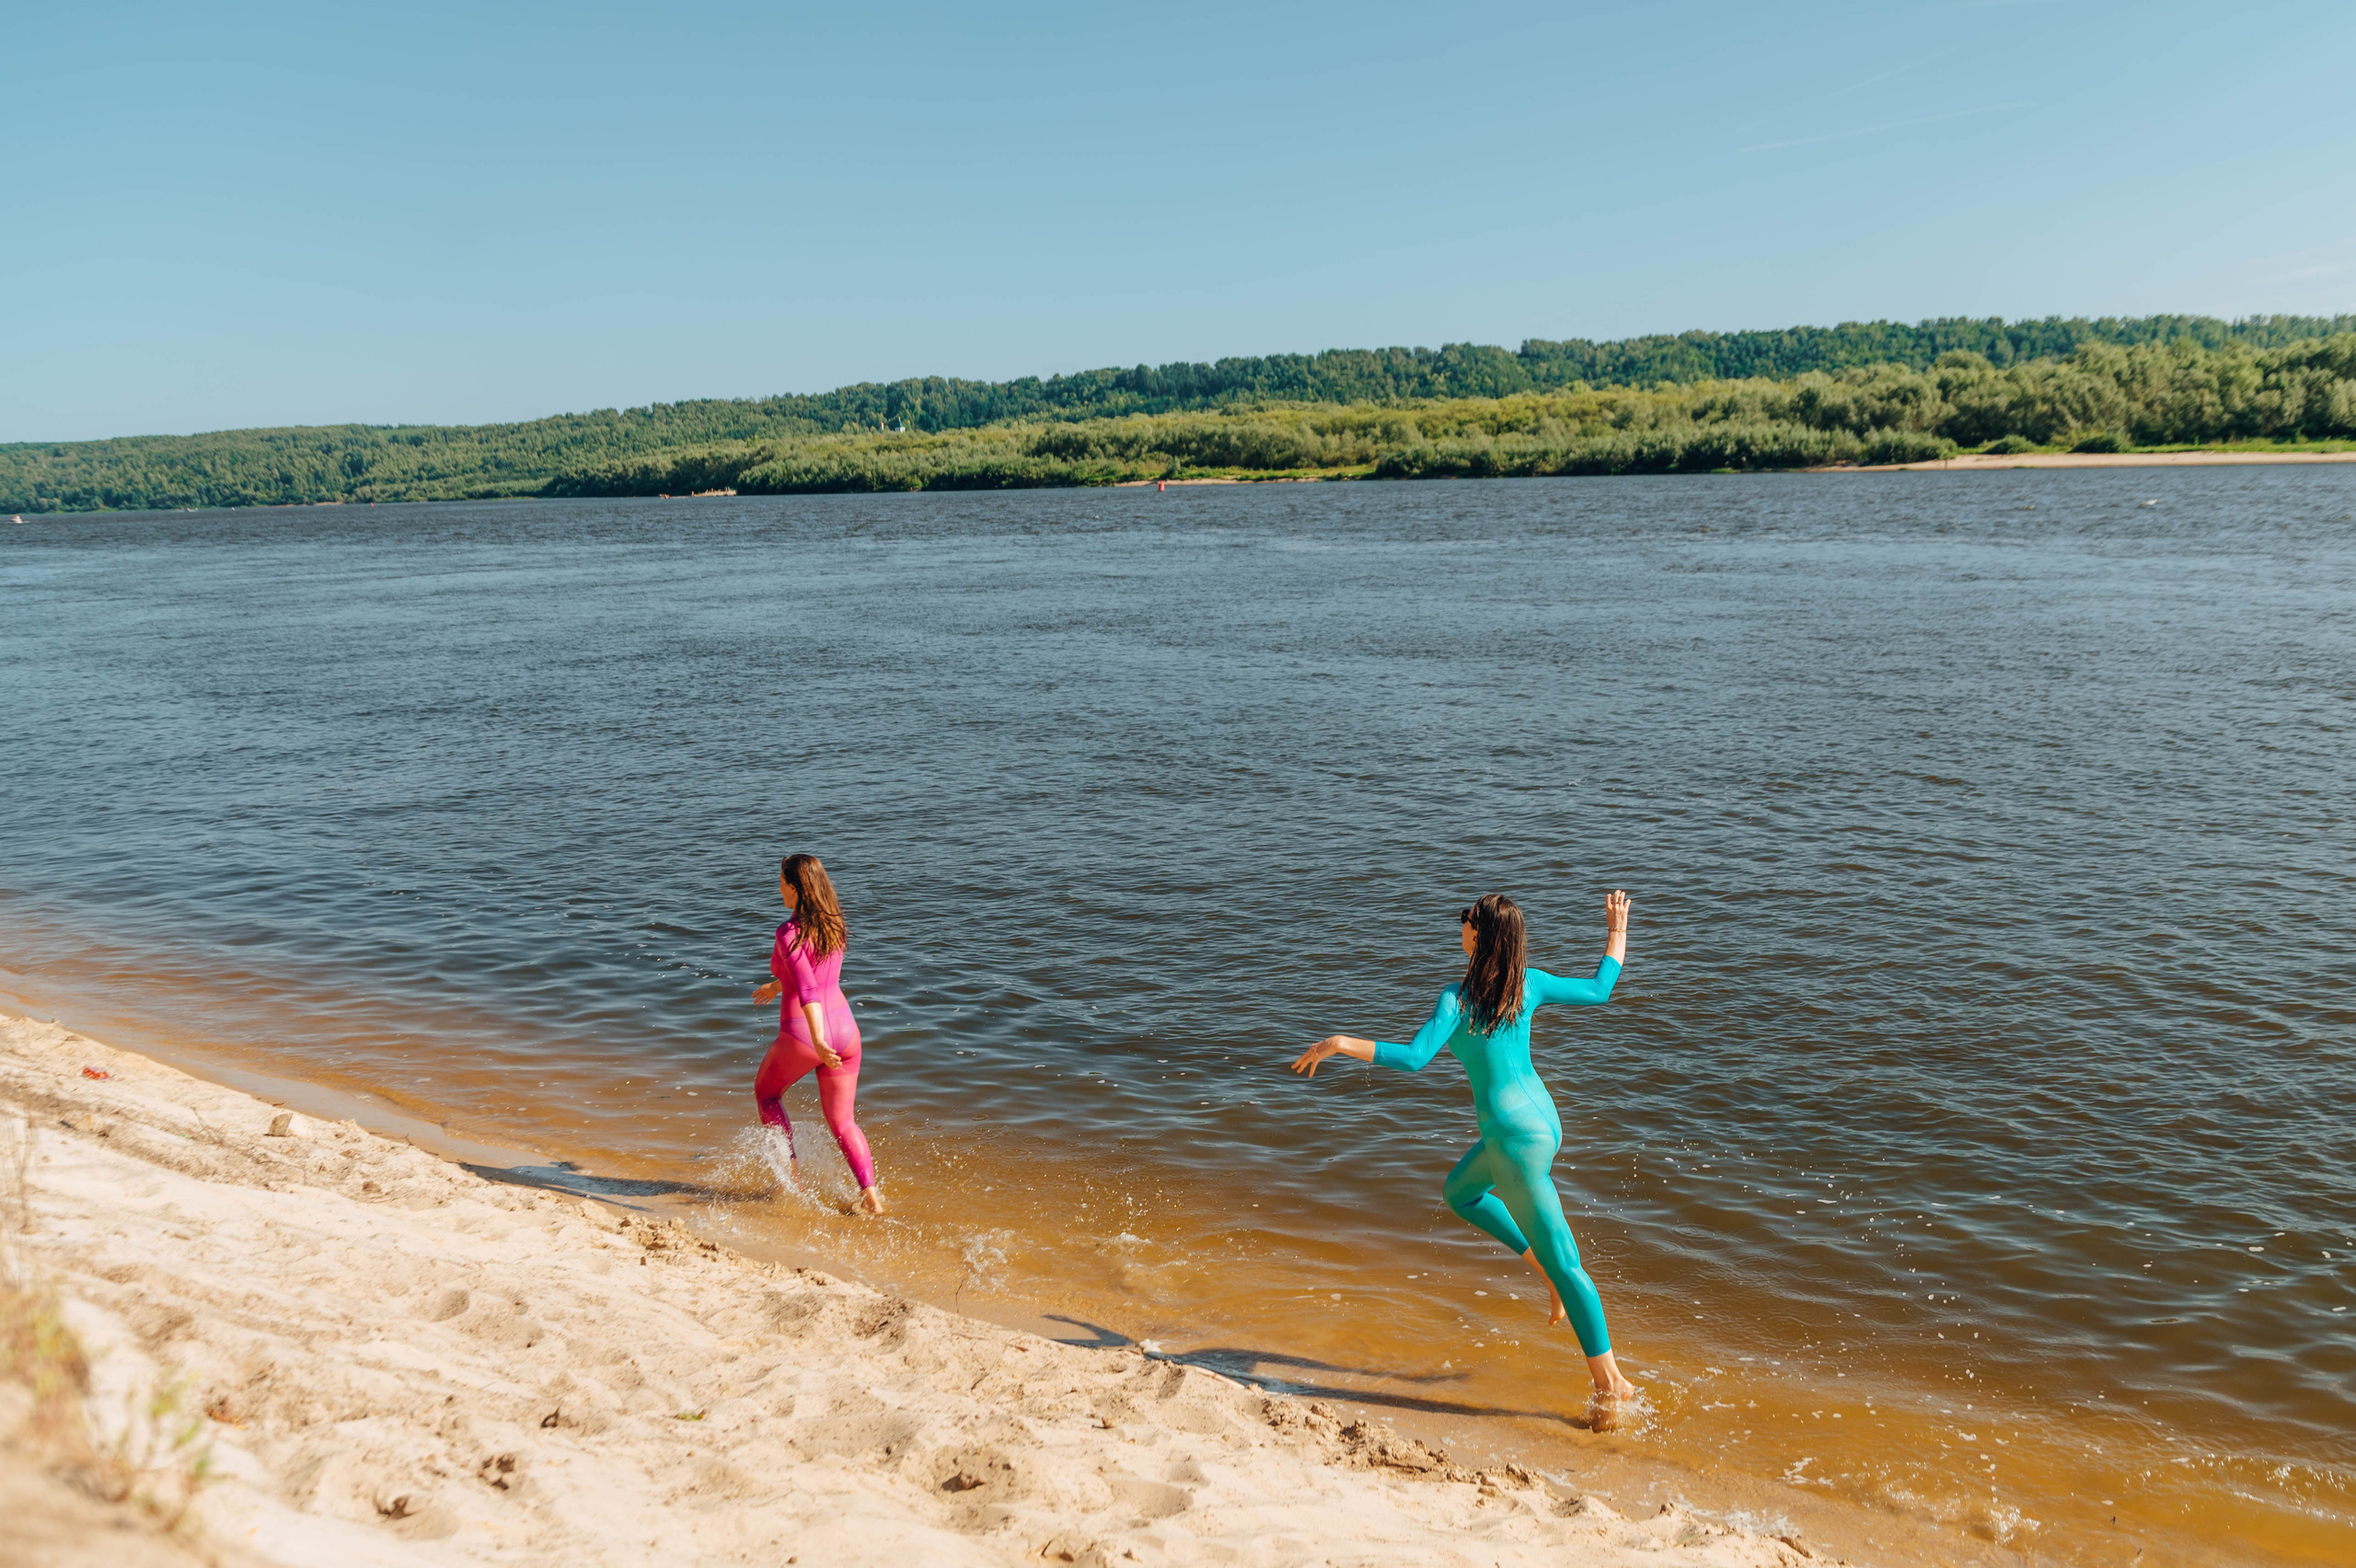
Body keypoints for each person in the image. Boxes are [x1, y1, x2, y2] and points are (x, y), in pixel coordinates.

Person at [1291, 890, 1634, 1423]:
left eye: (1465, 919)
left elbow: (1413, 1059)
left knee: (1568, 1264)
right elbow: (1599, 989)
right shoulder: (1529, 983)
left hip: (1514, 1142)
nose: (1460, 926)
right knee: (1460, 1192)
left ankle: (1611, 1382)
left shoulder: (1457, 998)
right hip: (1539, 1124)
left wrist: (1339, 1042)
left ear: (1481, 935)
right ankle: (1543, 1269)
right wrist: (1616, 932)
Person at [750, 854, 884, 1214]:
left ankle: (790, 1182)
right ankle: (871, 1195)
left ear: (794, 888)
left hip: (807, 1032)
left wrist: (819, 1040)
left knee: (766, 1094)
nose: (778, 887)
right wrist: (776, 986)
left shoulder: (788, 932)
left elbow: (808, 990)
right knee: (843, 1121)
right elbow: (816, 975)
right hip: (847, 1029)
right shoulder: (834, 923)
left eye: (781, 881)